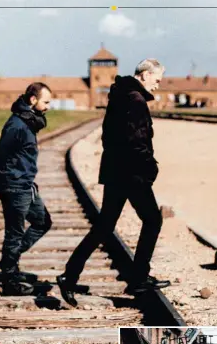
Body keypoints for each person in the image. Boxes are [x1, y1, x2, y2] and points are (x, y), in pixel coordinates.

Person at [57, 59, 171, 307]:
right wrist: (150, 167)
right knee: (152, 220)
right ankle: (139, 278)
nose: (158, 86)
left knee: (104, 226)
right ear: (144, 75)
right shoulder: (136, 101)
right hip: (132, 173)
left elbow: (109, 136)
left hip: (116, 172)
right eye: (157, 80)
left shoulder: (120, 96)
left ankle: (69, 276)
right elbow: (137, 141)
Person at [0, 82, 53, 296]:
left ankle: (8, 262)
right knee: (14, 233)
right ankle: (10, 281)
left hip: (25, 184)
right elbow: (0, 150)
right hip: (15, 185)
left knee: (42, 222)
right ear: (33, 100)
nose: (49, 106)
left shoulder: (28, 122)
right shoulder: (17, 125)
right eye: (46, 101)